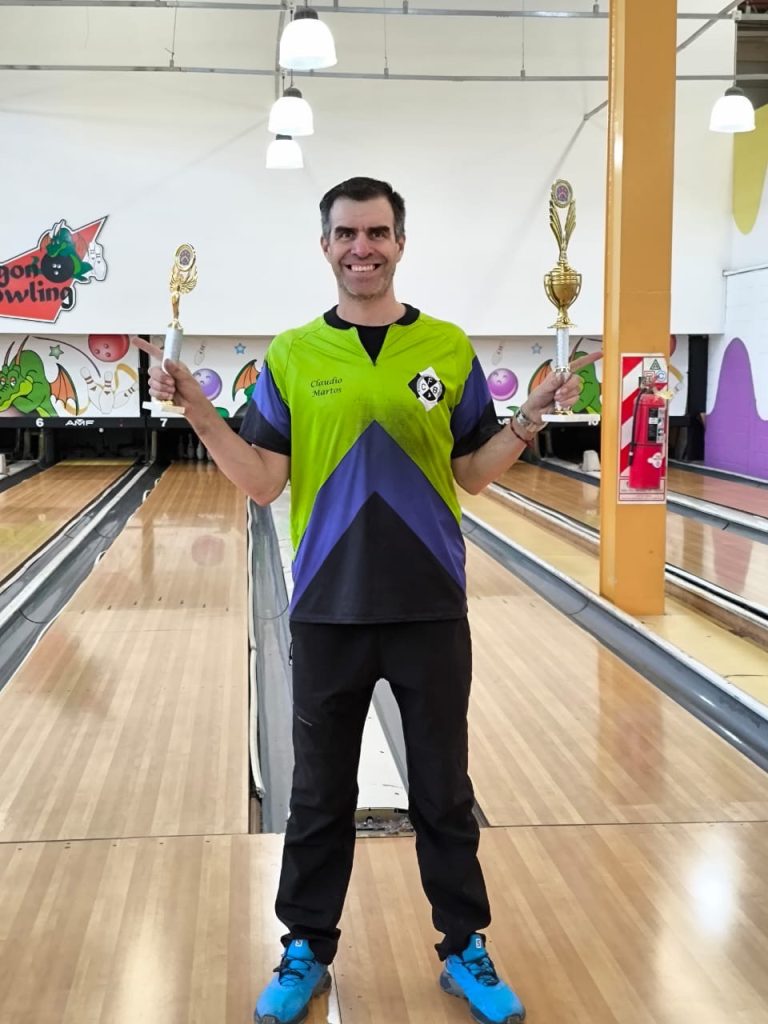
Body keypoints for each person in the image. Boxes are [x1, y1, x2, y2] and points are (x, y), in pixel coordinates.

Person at [139, 177, 598, 1024]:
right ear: (326, 246)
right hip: (328, 606)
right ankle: (305, 948)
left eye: (378, 233)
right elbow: (262, 481)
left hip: (430, 605)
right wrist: (202, 413)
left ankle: (464, 946)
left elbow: (471, 473)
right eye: (347, 234)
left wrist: (528, 419)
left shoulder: (448, 348)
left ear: (400, 243)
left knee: (444, 792)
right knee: (319, 795)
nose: (363, 248)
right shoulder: (292, 355)